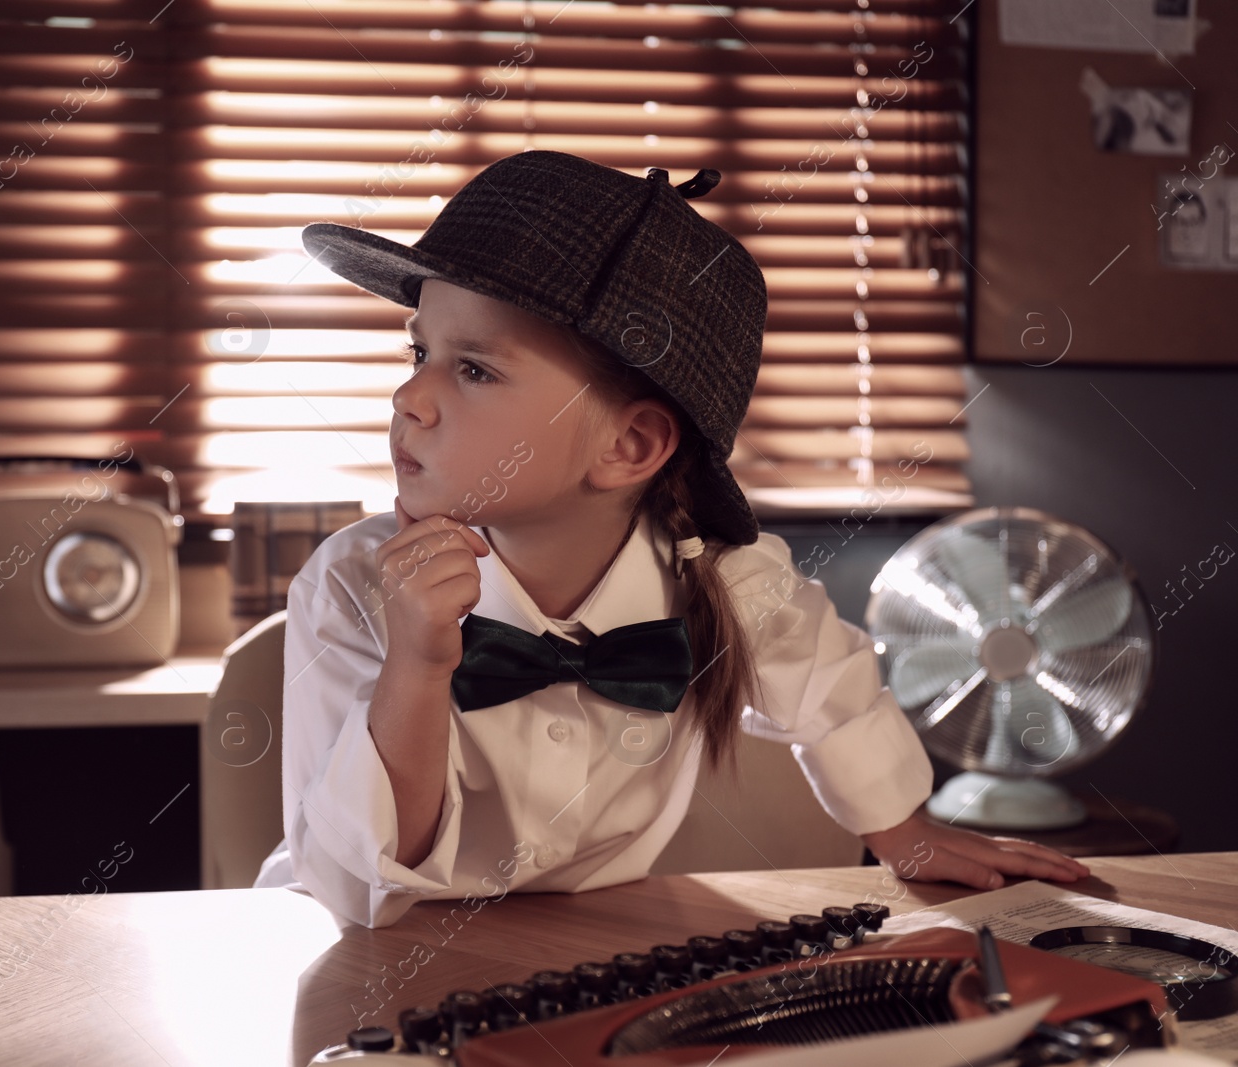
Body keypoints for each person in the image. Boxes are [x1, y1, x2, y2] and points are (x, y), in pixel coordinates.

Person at [252, 149, 1089, 929]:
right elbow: (359, 885)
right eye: (419, 350)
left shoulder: (726, 581)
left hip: (581, 947)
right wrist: (419, 665)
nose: (410, 397)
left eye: (473, 368)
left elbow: (833, 690)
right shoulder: (352, 585)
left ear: (629, 447)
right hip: (350, 946)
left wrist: (904, 831)